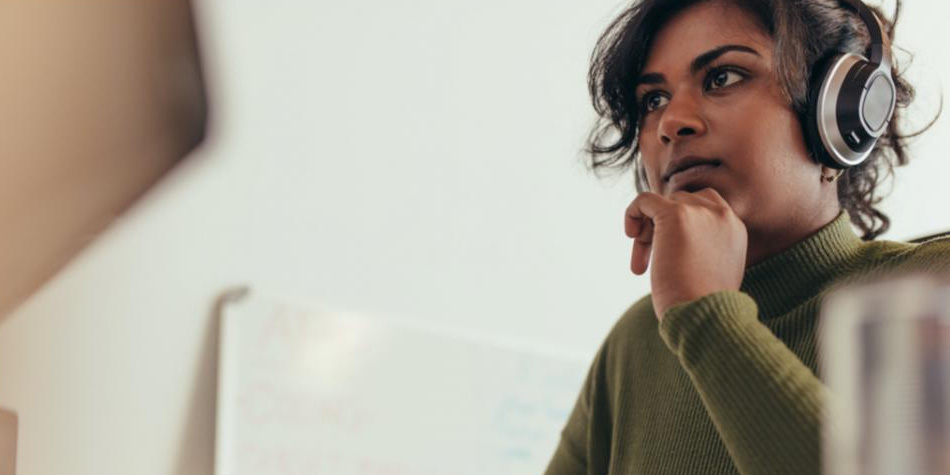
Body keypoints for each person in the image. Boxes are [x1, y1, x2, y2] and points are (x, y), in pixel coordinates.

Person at [544, 0, 948, 474]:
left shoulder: (931, 294)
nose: (673, 122)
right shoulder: (637, 342)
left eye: (723, 77)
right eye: (653, 100)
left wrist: (707, 318)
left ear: (840, 114)